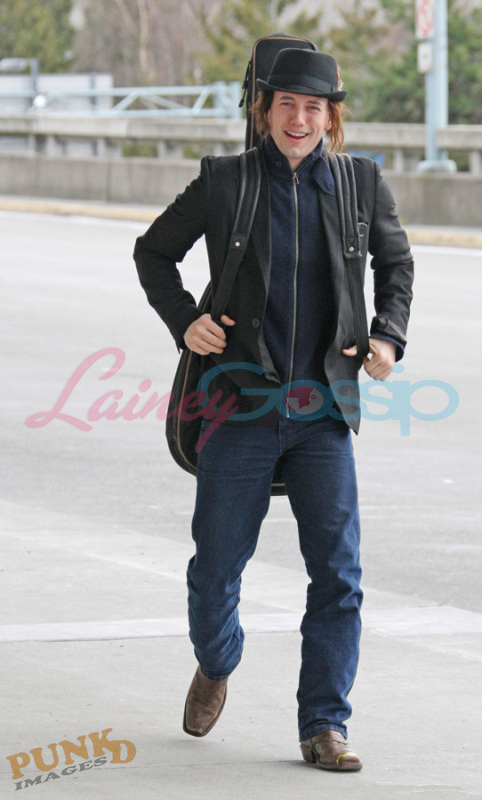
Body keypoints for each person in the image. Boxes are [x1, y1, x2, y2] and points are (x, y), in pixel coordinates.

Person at [133, 47, 414, 772]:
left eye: (314, 107)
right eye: (286, 103)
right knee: (215, 571)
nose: (299, 119)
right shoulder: (225, 180)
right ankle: (217, 660)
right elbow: (153, 252)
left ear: (331, 118)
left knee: (339, 576)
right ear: (265, 110)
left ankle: (324, 725)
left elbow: (397, 263)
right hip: (240, 406)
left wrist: (387, 334)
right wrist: (186, 320)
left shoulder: (359, 182)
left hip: (323, 411)